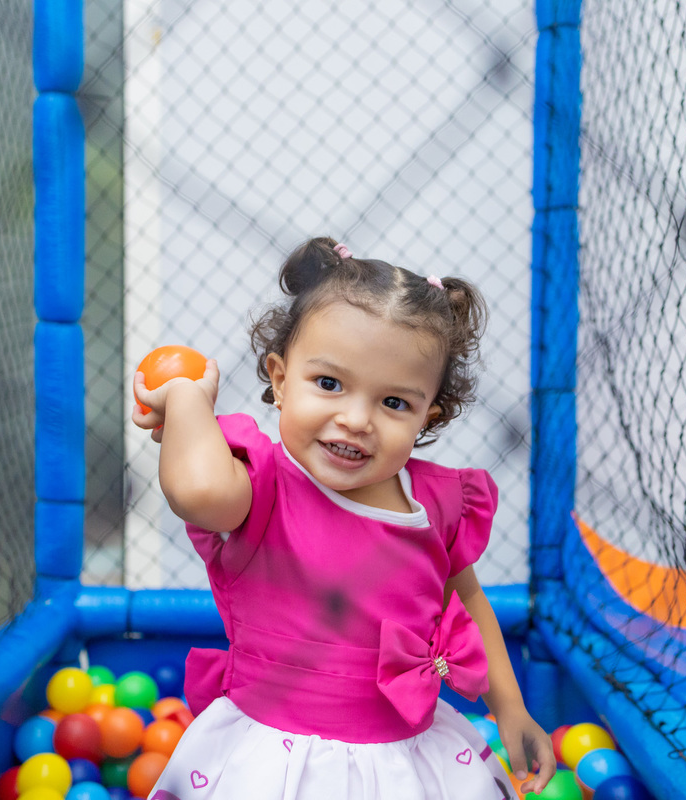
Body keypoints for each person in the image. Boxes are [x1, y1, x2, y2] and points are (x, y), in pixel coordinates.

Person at [132, 237, 557, 799]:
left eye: (394, 403)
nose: (356, 419)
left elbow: (469, 606)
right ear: (281, 380)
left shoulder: (436, 505)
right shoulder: (262, 483)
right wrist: (189, 400)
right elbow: (198, 492)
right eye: (329, 384)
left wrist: (510, 708)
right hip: (274, 760)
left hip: (404, 765)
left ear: (429, 414)